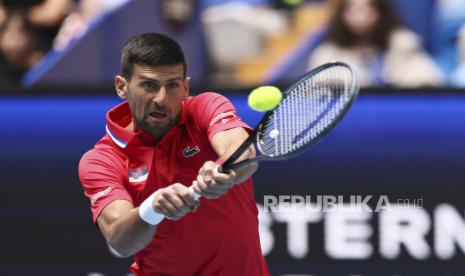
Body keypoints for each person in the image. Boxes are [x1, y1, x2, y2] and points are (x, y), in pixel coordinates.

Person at [78, 33, 269, 275]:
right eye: (149, 85)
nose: (161, 99)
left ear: (186, 87)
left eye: (173, 85)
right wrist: (153, 208)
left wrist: (224, 170)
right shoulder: (102, 160)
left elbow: (240, 151)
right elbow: (120, 240)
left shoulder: (206, 106)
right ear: (122, 86)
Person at [307, 0, 443, 88]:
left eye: (368, 8)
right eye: (351, 9)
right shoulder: (327, 53)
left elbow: (431, 80)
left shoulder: (406, 45)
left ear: (381, 13)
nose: (360, 16)